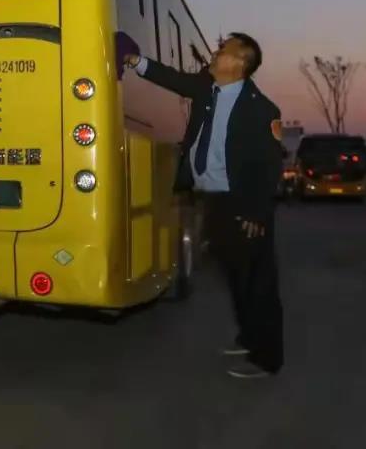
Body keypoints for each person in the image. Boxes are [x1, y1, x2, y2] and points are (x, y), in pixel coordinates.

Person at [120, 31, 284, 379]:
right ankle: (249, 337)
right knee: (235, 277)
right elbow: (172, 79)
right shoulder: (206, 88)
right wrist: (135, 61)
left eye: (223, 50)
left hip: (243, 206)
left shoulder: (262, 110)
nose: (214, 52)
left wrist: (256, 213)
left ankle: (266, 358)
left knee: (257, 283)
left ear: (239, 62)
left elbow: (270, 167)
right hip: (213, 202)